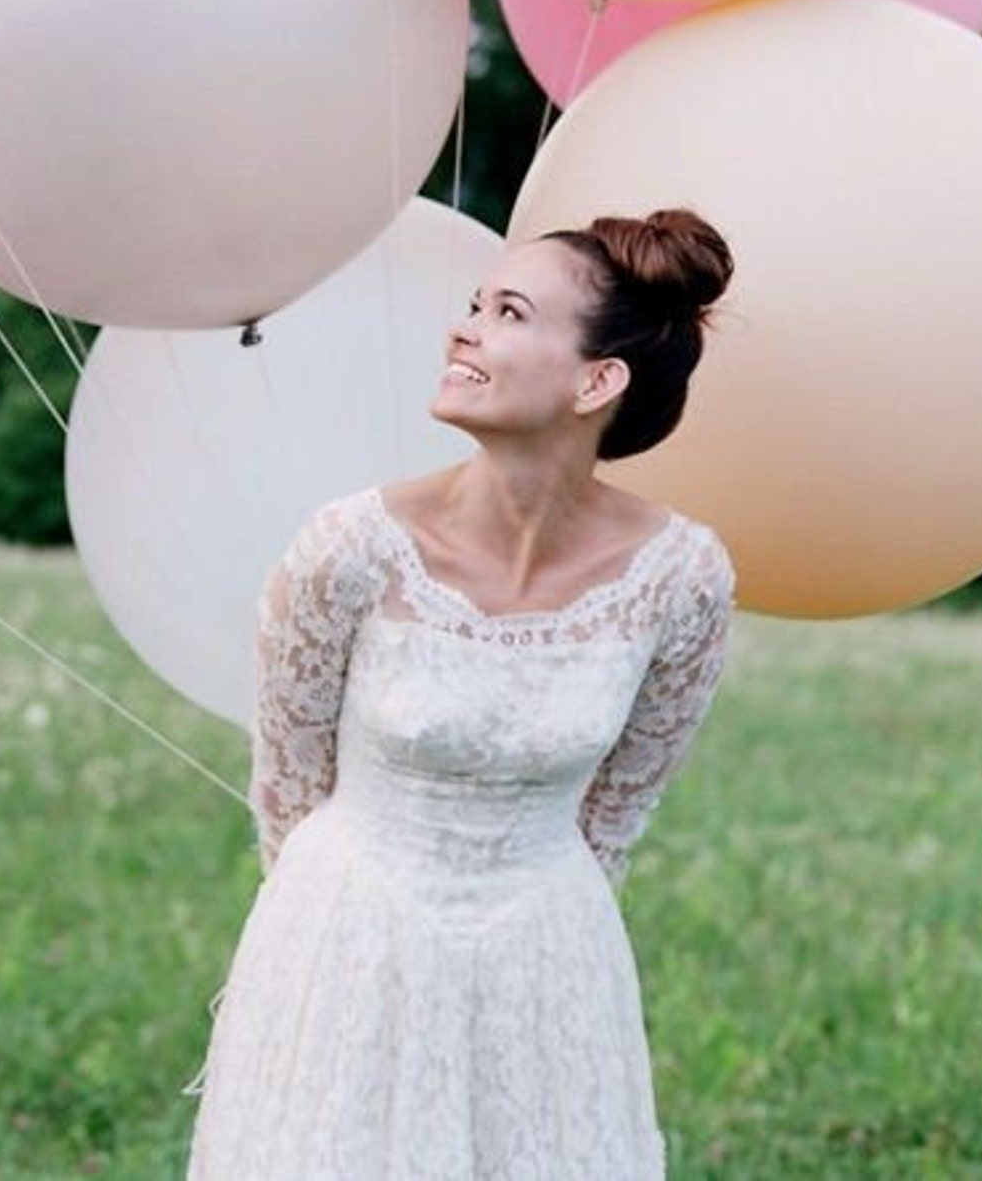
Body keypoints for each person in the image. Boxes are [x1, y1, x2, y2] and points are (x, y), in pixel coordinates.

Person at [182, 207, 739, 1178]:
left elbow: (616, 808)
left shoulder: (681, 576)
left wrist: (522, 936)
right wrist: (353, 936)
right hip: (349, 937)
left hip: (548, 957)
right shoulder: (347, 549)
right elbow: (289, 787)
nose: (464, 326)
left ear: (596, 378)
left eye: (508, 311)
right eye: (473, 303)